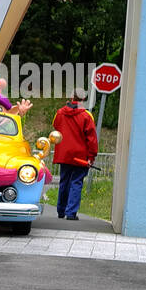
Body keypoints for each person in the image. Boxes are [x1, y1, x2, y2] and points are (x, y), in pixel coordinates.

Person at [52, 88, 97, 220]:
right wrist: (91, 157)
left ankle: (61, 211)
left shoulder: (60, 113)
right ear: (83, 99)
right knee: (76, 182)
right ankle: (71, 213)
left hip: (64, 154)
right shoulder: (86, 116)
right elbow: (92, 139)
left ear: (71, 97)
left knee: (64, 181)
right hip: (80, 156)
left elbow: (56, 126)